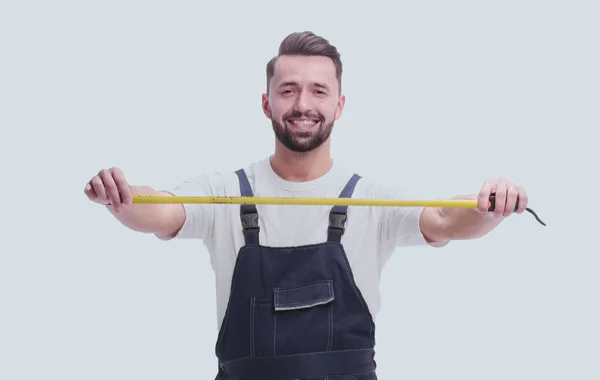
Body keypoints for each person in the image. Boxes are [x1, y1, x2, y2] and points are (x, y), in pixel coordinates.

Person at [84, 31, 529, 380]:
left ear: (339, 103)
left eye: (318, 91)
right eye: (288, 90)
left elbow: (447, 217)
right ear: (266, 103)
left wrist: (488, 207)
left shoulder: (371, 199)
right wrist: (122, 199)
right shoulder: (225, 192)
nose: (303, 104)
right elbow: (162, 209)